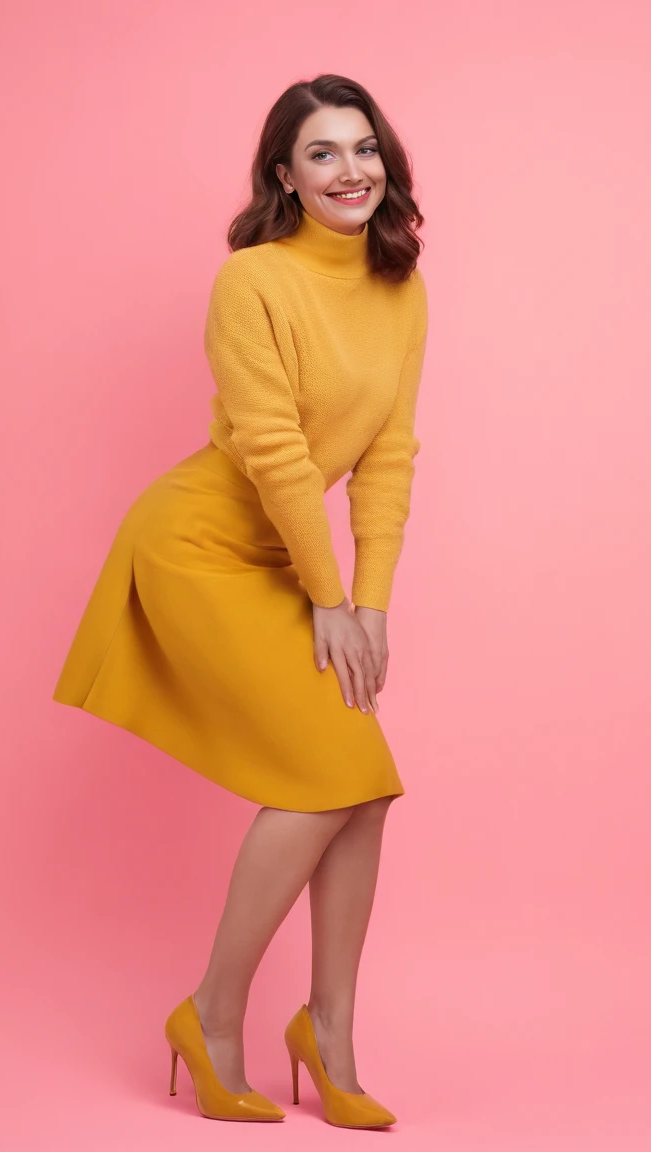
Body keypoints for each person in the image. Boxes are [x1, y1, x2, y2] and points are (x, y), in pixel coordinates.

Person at [52, 73, 428, 1129]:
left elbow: (389, 456)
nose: (350, 170)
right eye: (322, 154)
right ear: (283, 175)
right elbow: (270, 453)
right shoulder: (252, 281)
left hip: (289, 560)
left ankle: (328, 1033)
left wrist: (374, 601)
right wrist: (326, 599)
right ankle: (212, 1016)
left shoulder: (402, 288)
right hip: (202, 544)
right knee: (324, 779)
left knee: (362, 783)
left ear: (385, 163)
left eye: (364, 149)